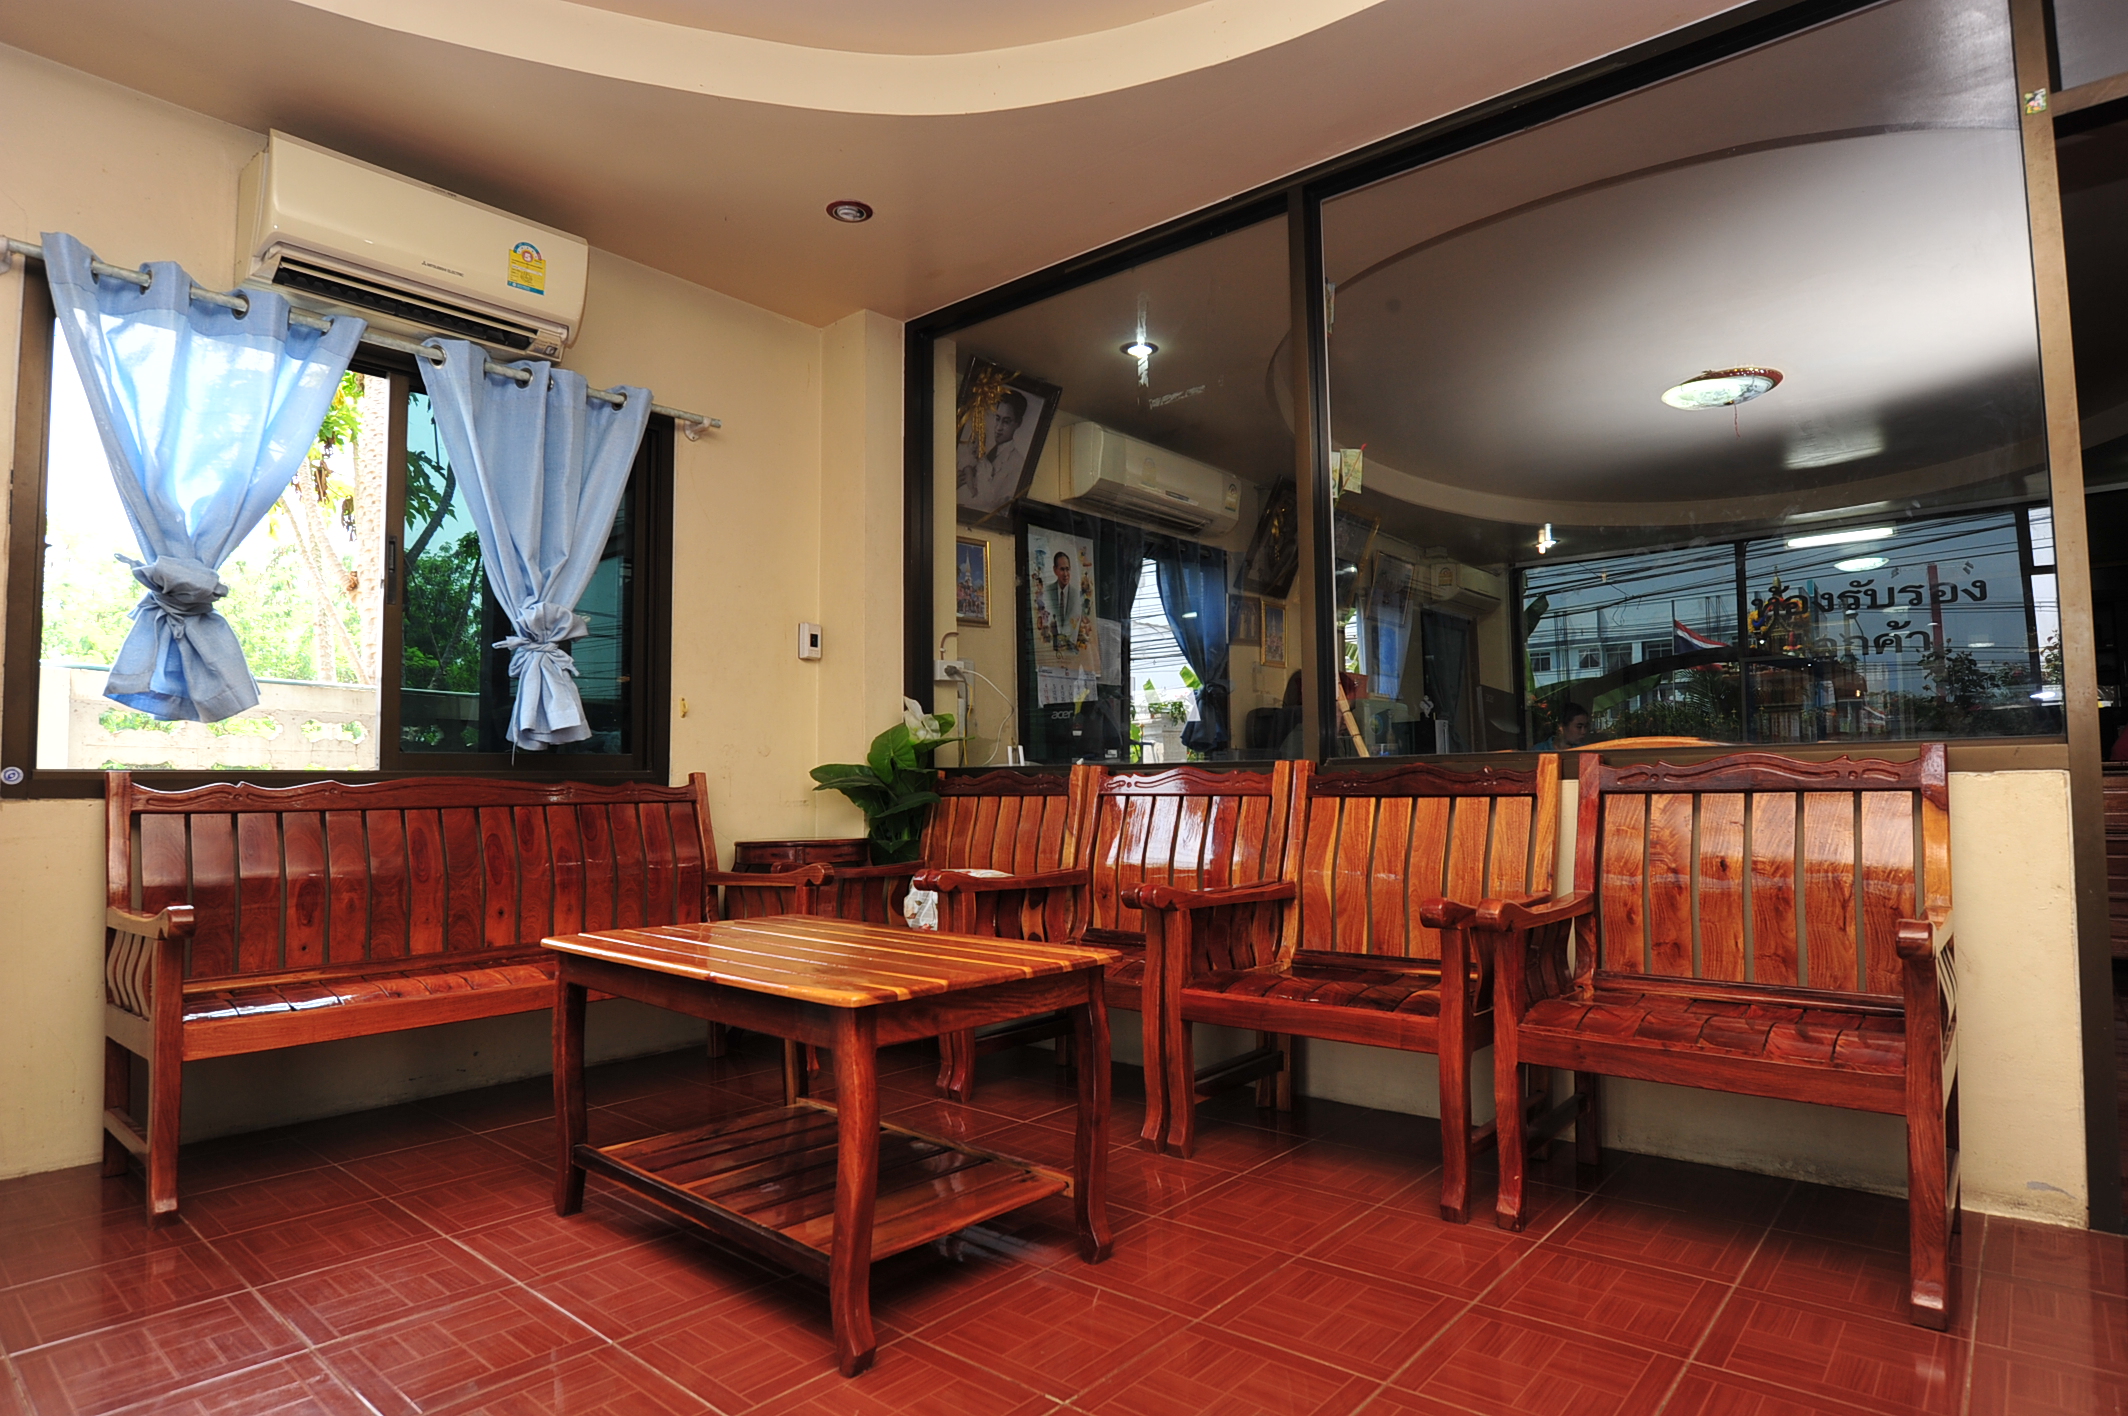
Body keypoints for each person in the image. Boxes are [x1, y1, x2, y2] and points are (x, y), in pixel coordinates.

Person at [956, 390, 1029, 514]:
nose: (998, 428)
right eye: (997, 419)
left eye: (1006, 422)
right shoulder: (985, 452)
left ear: (1018, 423)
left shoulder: (1017, 464)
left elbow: (998, 510)